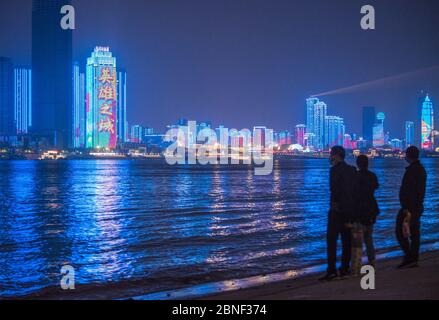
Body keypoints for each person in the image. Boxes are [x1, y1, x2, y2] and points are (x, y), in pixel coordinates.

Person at [319, 146, 357, 281]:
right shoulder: (352, 170)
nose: (330, 157)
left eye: (331, 154)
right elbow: (354, 192)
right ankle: (345, 269)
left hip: (337, 211)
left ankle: (332, 271)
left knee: (331, 241)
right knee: (346, 241)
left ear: (336, 155)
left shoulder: (334, 170)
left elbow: (335, 191)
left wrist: (334, 205)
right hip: (349, 211)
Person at [396, 146, 427, 268]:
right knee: (414, 233)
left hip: (409, 208)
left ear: (408, 155)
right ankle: (413, 257)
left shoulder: (412, 171)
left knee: (400, 231)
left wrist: (406, 207)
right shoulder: (420, 169)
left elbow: (409, 190)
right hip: (416, 206)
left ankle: (410, 256)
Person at [351, 155, 380, 272]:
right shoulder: (372, 176)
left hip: (359, 211)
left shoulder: (355, 177)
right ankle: (372, 262)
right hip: (371, 209)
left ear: (357, 164)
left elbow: (352, 193)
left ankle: (357, 265)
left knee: (357, 240)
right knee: (369, 238)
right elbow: (375, 187)